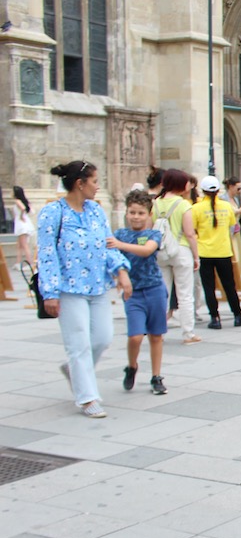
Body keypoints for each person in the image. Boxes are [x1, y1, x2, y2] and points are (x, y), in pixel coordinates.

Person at [38, 161, 132, 419]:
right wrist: (50, 293)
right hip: (69, 288)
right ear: (80, 184)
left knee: (103, 337)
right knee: (78, 343)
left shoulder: (96, 211)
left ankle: (75, 371)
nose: (98, 186)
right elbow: (46, 254)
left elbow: (108, 244)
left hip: (98, 285)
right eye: (94, 181)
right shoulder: (52, 212)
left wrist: (121, 271)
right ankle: (87, 397)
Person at [108, 190, 169, 395]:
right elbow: (112, 257)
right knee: (135, 336)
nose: (136, 217)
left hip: (154, 288)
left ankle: (156, 375)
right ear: (126, 213)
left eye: (141, 213)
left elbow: (147, 250)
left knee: (156, 335)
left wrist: (120, 246)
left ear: (149, 215)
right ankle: (132, 365)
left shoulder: (153, 234)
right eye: (132, 212)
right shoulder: (120, 233)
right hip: (132, 292)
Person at [154, 169, 202, 345]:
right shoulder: (183, 205)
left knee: (162, 293)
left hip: (162, 250)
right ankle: (188, 333)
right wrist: (196, 256)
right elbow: (190, 233)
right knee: (185, 294)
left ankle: (159, 331)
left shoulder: (156, 203)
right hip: (181, 250)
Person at [193, 175, 241, 329]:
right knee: (229, 285)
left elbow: (193, 229)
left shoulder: (196, 208)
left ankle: (215, 318)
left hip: (205, 252)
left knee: (209, 287)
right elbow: (232, 225)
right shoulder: (226, 206)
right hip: (224, 251)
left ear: (203, 191)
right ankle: (238, 316)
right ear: (218, 190)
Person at [12, 186, 36, 268]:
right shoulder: (24, 201)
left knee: (24, 244)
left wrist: (21, 216)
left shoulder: (17, 201)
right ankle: (18, 263)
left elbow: (23, 208)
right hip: (24, 224)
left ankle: (30, 263)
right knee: (19, 245)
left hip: (21, 224)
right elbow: (31, 211)